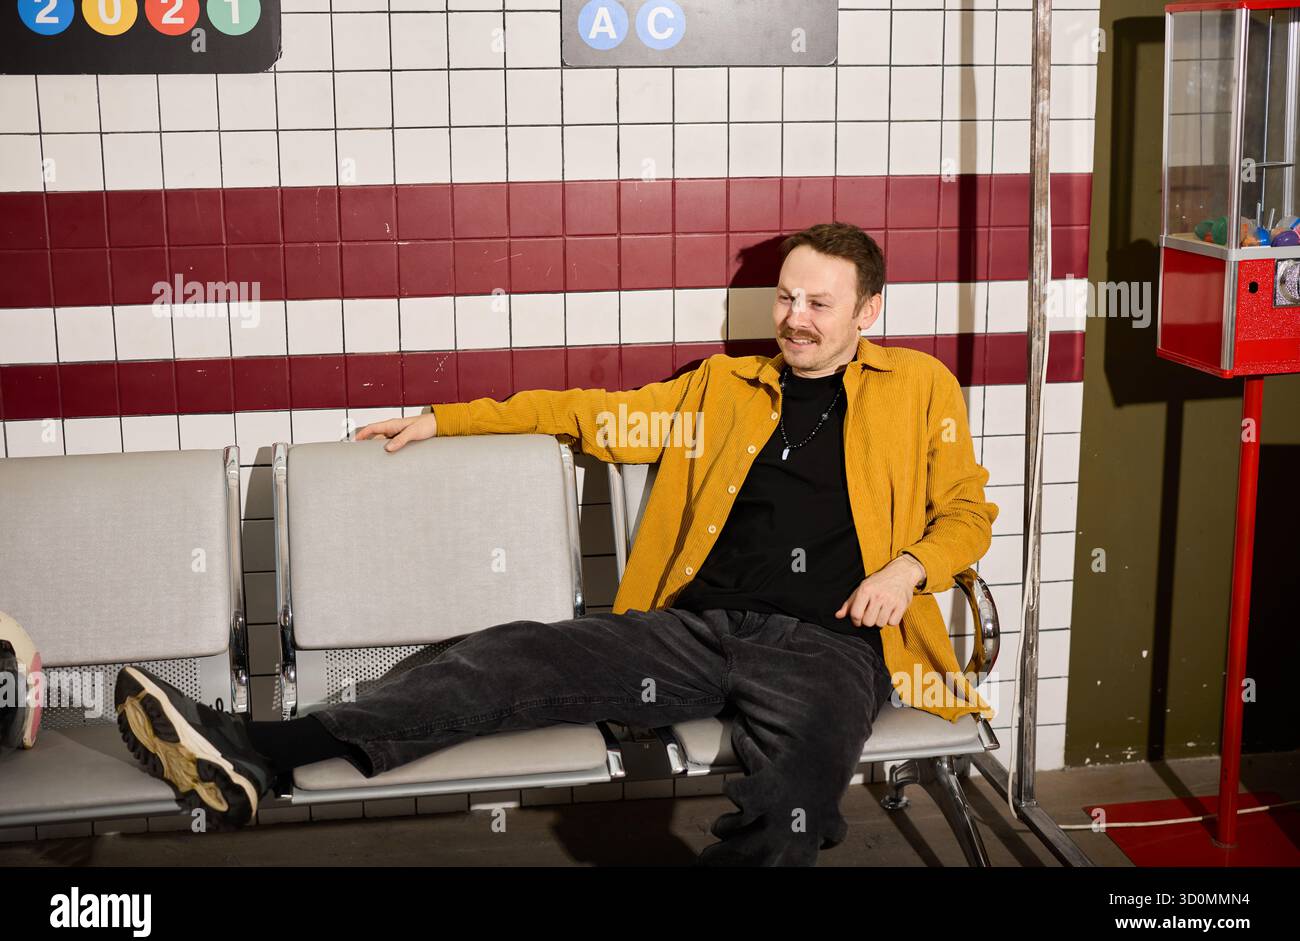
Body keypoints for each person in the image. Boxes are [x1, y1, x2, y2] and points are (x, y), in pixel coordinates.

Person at [110, 222, 998, 865]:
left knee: (794, 802)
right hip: (692, 630)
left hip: (830, 644)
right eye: (785, 296)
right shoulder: (723, 386)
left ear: (868, 309)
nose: (795, 317)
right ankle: (259, 749)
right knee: (503, 661)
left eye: (819, 303)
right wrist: (441, 419)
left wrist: (909, 566)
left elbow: (967, 508)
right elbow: (585, 414)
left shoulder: (919, 387)